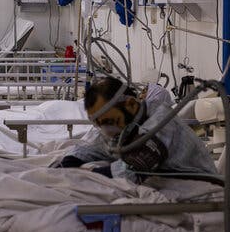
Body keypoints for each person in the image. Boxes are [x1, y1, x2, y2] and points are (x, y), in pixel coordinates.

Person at [55, 76, 217, 182]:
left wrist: (85, 177)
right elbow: (96, 145)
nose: (107, 130)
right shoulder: (125, 124)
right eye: (100, 125)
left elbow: (132, 171)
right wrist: (71, 160)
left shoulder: (161, 122)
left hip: (199, 185)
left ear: (131, 104)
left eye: (111, 122)